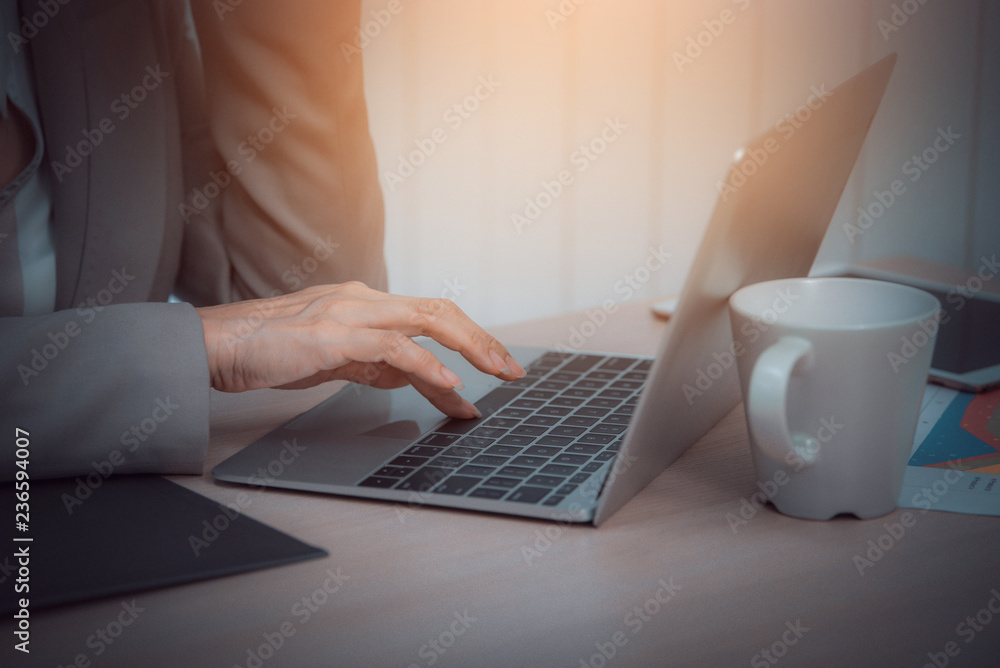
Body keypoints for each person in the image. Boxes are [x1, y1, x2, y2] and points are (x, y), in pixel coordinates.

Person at [0, 0, 523, 481]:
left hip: (119, 501)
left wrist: (283, 24)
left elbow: (306, 310)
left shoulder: (111, 21)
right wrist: (209, 349)